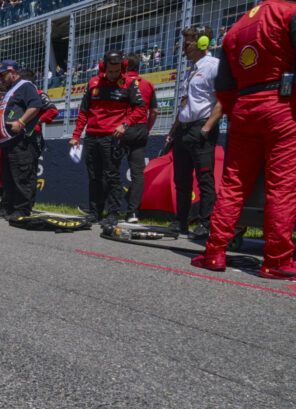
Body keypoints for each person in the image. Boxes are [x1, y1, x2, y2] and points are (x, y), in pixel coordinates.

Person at [192, 1, 296, 280]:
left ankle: (215, 252)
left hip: (243, 108)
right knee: (282, 186)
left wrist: (233, 110)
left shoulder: (234, 29)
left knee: (233, 184)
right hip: (283, 105)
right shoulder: (288, 13)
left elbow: (224, 84)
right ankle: (277, 259)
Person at [70, 50, 146, 227]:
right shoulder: (93, 82)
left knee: (112, 176)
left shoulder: (128, 83)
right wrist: (76, 135)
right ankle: (94, 212)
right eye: (110, 71)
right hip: (91, 137)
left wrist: (125, 124)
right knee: (94, 176)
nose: (113, 75)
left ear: (123, 68)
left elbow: (140, 109)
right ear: (103, 68)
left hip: (112, 137)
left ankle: (113, 214)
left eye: (117, 71)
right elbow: (84, 112)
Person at [166, 26, 222, 238]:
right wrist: (173, 130)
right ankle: (180, 221)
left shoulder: (213, 66)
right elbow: (184, 103)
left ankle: (205, 223)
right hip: (183, 130)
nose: (184, 47)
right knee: (181, 180)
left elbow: (222, 100)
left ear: (202, 43)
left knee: (205, 179)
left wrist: (207, 128)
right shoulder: (190, 71)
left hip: (201, 128)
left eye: (188, 43)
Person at [0, 59, 45, 221]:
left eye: (3, 75)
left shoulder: (26, 86)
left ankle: (21, 210)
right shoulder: (10, 90)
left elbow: (35, 105)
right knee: (7, 178)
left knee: (22, 177)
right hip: (8, 142)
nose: (0, 78)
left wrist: (21, 122)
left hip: (22, 141)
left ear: (12, 72)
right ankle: (8, 206)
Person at [122, 53, 159, 223]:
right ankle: (133, 213)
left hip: (120, 128)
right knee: (137, 173)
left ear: (125, 66)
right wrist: (147, 129)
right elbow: (154, 112)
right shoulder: (148, 85)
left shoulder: (121, 82)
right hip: (140, 129)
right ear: (139, 67)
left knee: (110, 168)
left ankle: (105, 209)